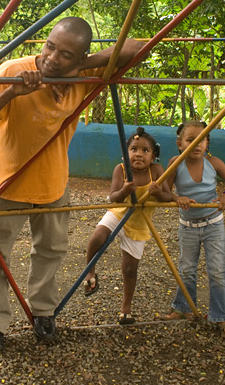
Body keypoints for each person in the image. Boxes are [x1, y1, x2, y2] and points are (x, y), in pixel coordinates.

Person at [0, 17, 143, 352]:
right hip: (7, 184)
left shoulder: (84, 76)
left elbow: (137, 49)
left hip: (53, 184)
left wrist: (81, 67)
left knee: (51, 252)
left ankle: (42, 311)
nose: (53, 58)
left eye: (66, 54)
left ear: (80, 58)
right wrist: (12, 92)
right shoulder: (15, 69)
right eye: (50, 46)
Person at [159, 120, 225, 339]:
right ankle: (182, 308)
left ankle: (222, 316)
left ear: (207, 143)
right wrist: (178, 198)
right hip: (187, 227)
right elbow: (165, 192)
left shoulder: (213, 163)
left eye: (201, 140)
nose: (196, 144)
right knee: (186, 269)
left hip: (213, 224)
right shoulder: (175, 163)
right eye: (190, 140)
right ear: (179, 143)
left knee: (217, 271)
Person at [83, 127, 175, 325]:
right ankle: (90, 271)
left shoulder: (157, 171)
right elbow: (113, 198)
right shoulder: (121, 170)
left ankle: (126, 308)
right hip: (119, 215)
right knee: (97, 237)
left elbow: (168, 197)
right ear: (126, 154)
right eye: (134, 149)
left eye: (145, 150)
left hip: (140, 222)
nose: (139, 154)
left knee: (130, 268)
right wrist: (124, 190)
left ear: (153, 156)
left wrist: (158, 193)